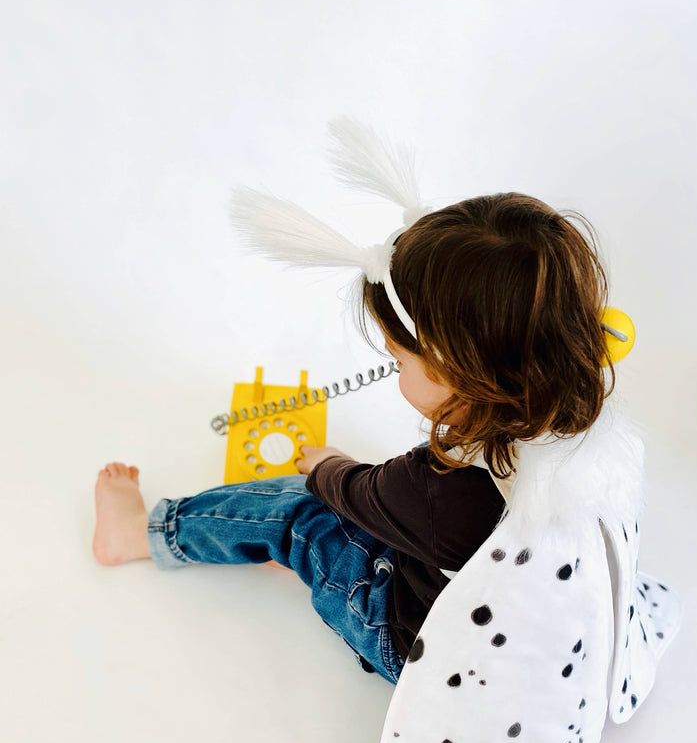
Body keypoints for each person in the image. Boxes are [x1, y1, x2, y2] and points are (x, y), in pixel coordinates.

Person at [93, 192, 612, 687]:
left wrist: (325, 466)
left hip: (412, 649)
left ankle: (141, 532)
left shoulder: (439, 488)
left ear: (454, 369)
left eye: (399, 361)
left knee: (301, 511)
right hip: (538, 647)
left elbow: (356, 492)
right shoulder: (579, 428)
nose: (393, 371)